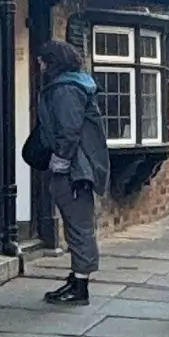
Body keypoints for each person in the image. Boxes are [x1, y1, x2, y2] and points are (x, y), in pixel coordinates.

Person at [30, 41, 110, 306]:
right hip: (80, 166)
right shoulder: (74, 84)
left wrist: (61, 161)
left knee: (79, 227)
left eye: (42, 60)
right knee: (77, 225)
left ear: (51, 61)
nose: (39, 65)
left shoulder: (65, 89)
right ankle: (77, 277)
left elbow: (68, 130)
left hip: (77, 169)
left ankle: (80, 287)